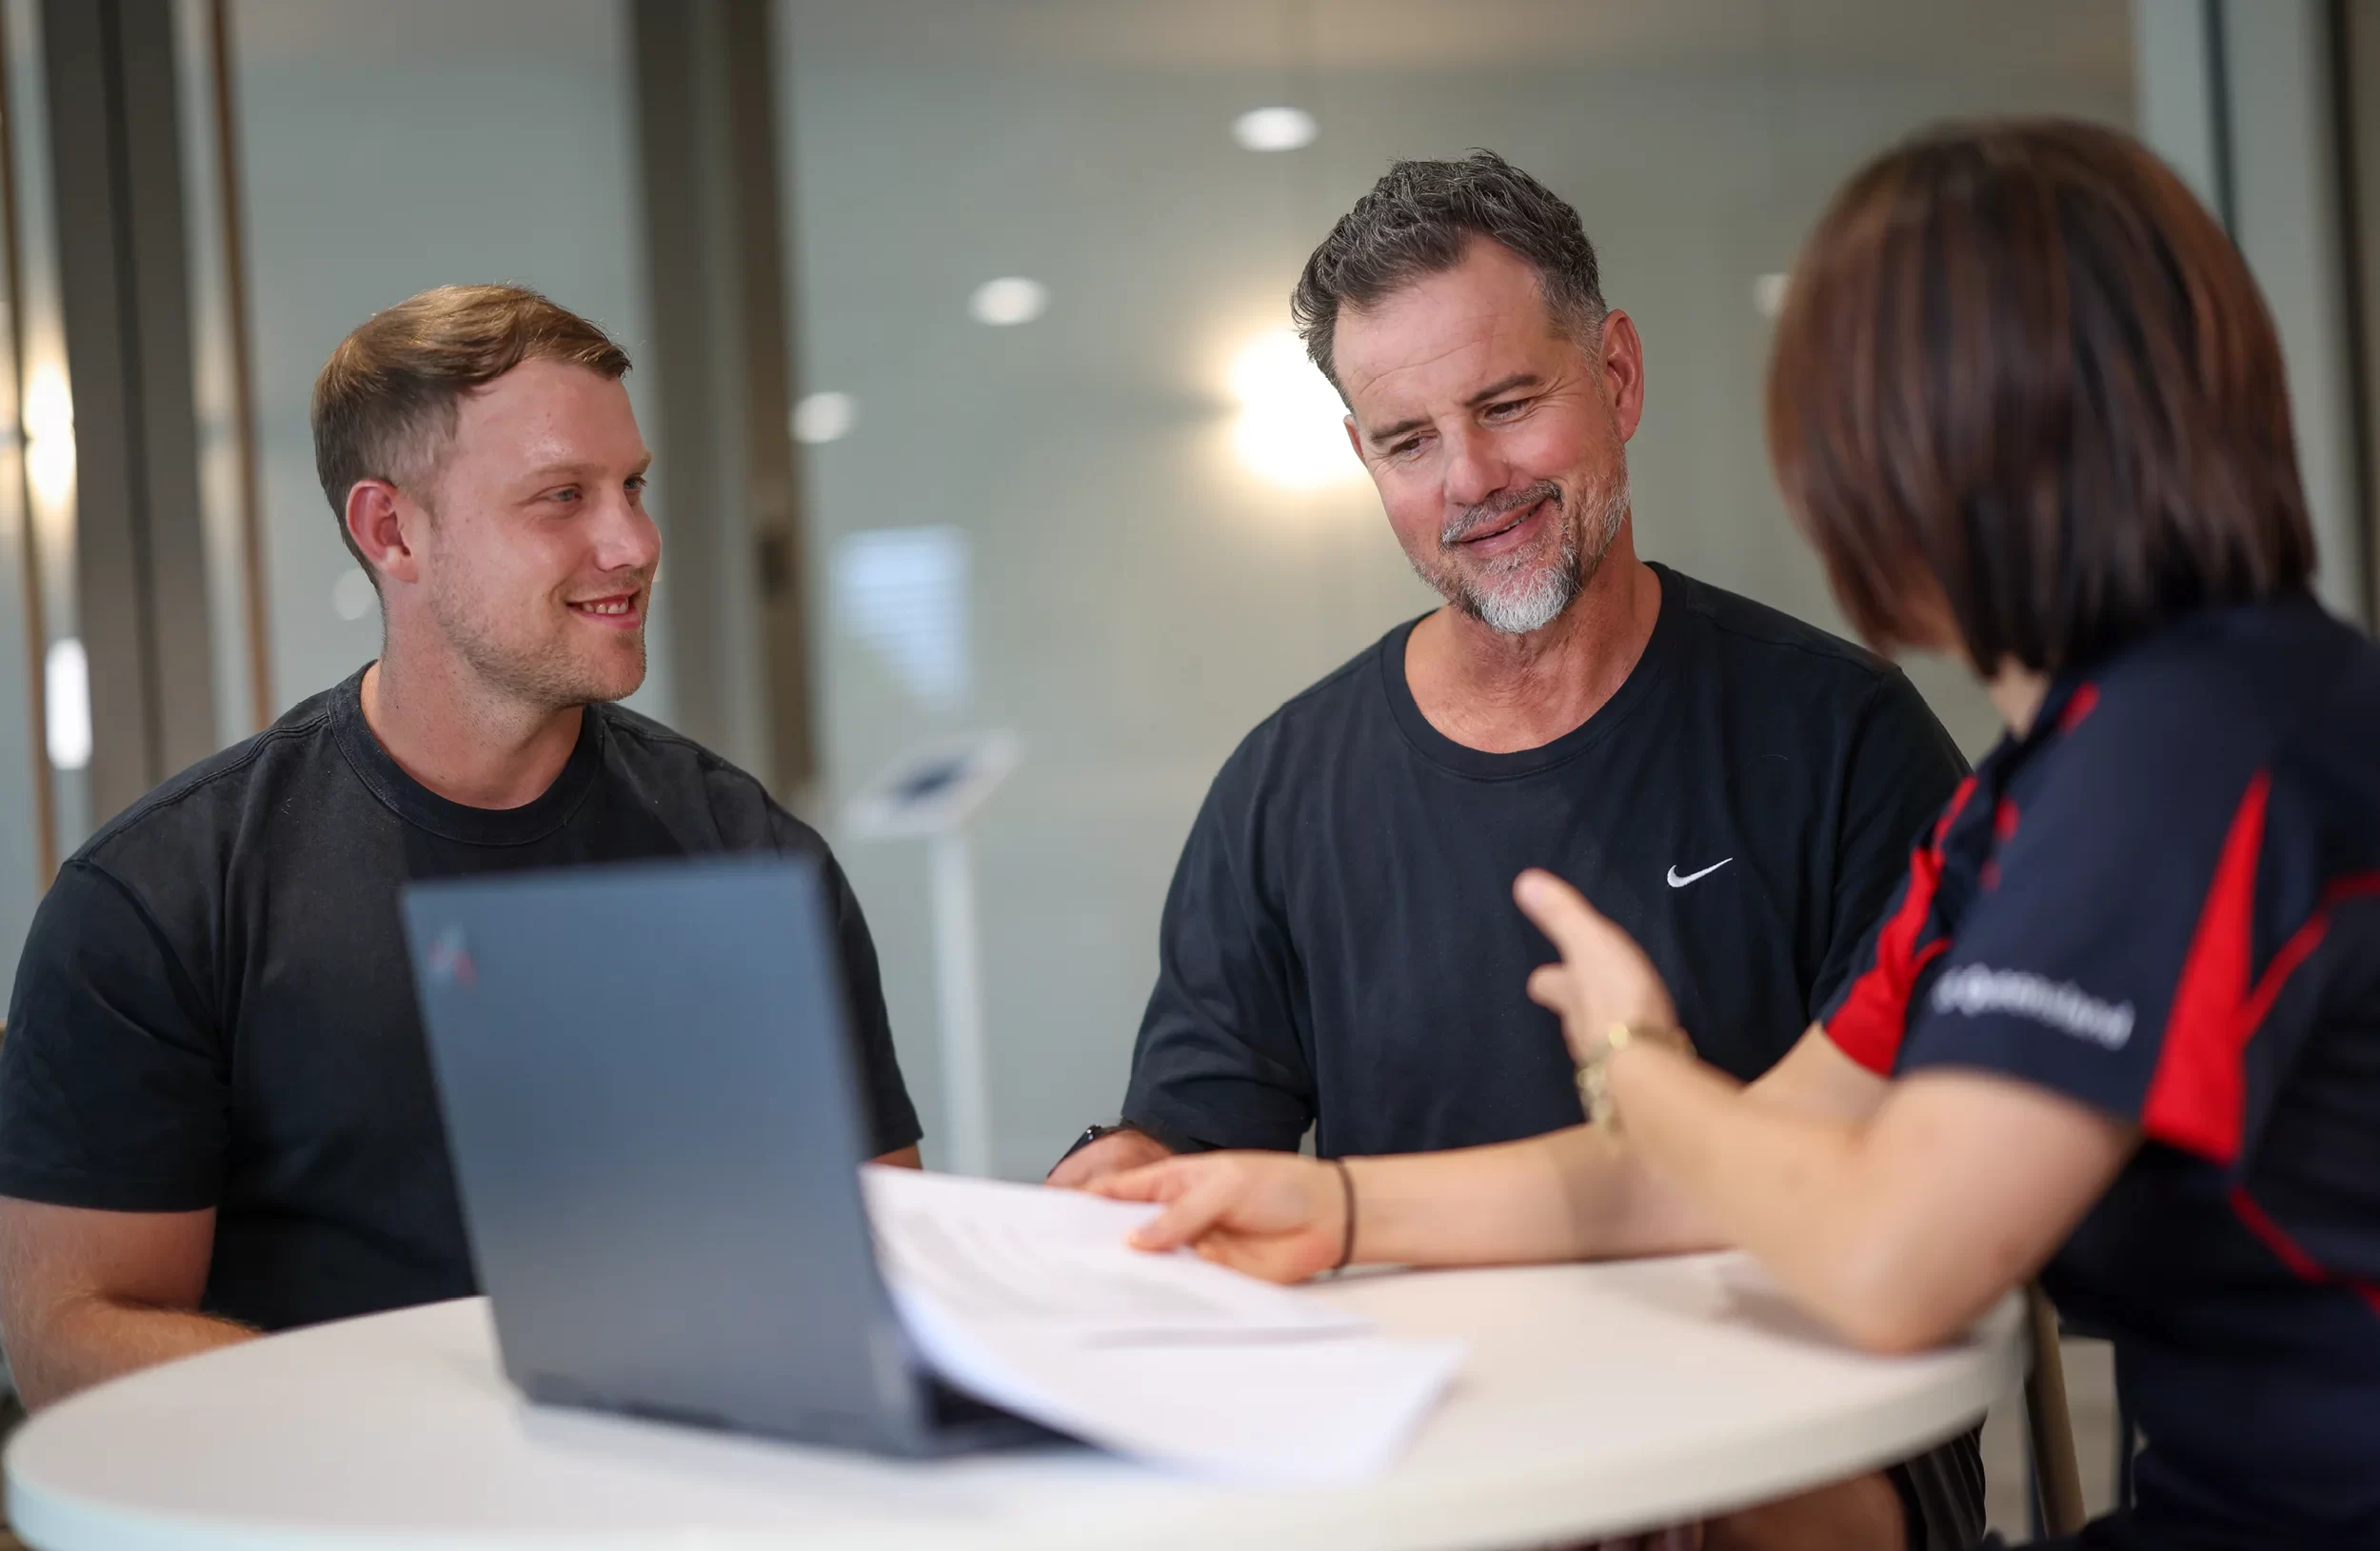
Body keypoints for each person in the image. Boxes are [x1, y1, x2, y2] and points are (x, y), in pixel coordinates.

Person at [1094, 119, 2380, 1551]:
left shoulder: (2181, 761)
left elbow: (1885, 1246)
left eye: (1840, 415)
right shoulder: (2072, 773)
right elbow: (1738, 1155)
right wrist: (1335, 1209)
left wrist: (1638, 1064)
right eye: (1408, 438)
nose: (1821, 475)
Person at [1051, 152, 1973, 1548]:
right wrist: (1117, 1185)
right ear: (1362, 459)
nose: (1469, 478)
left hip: (1775, 1453)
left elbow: (1915, 1196)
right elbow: (1203, 1149)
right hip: (1429, 1470)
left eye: (1506, 404)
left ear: (1618, 375)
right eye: (1408, 440)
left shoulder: (1841, 737)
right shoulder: (1285, 789)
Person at [0, 286, 922, 1411]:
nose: (632, 542)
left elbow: (878, 1252)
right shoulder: (162, 896)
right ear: (392, 532)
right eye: (559, 498)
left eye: (631, 486)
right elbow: (68, 1340)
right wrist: (437, 1425)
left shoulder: (746, 853)